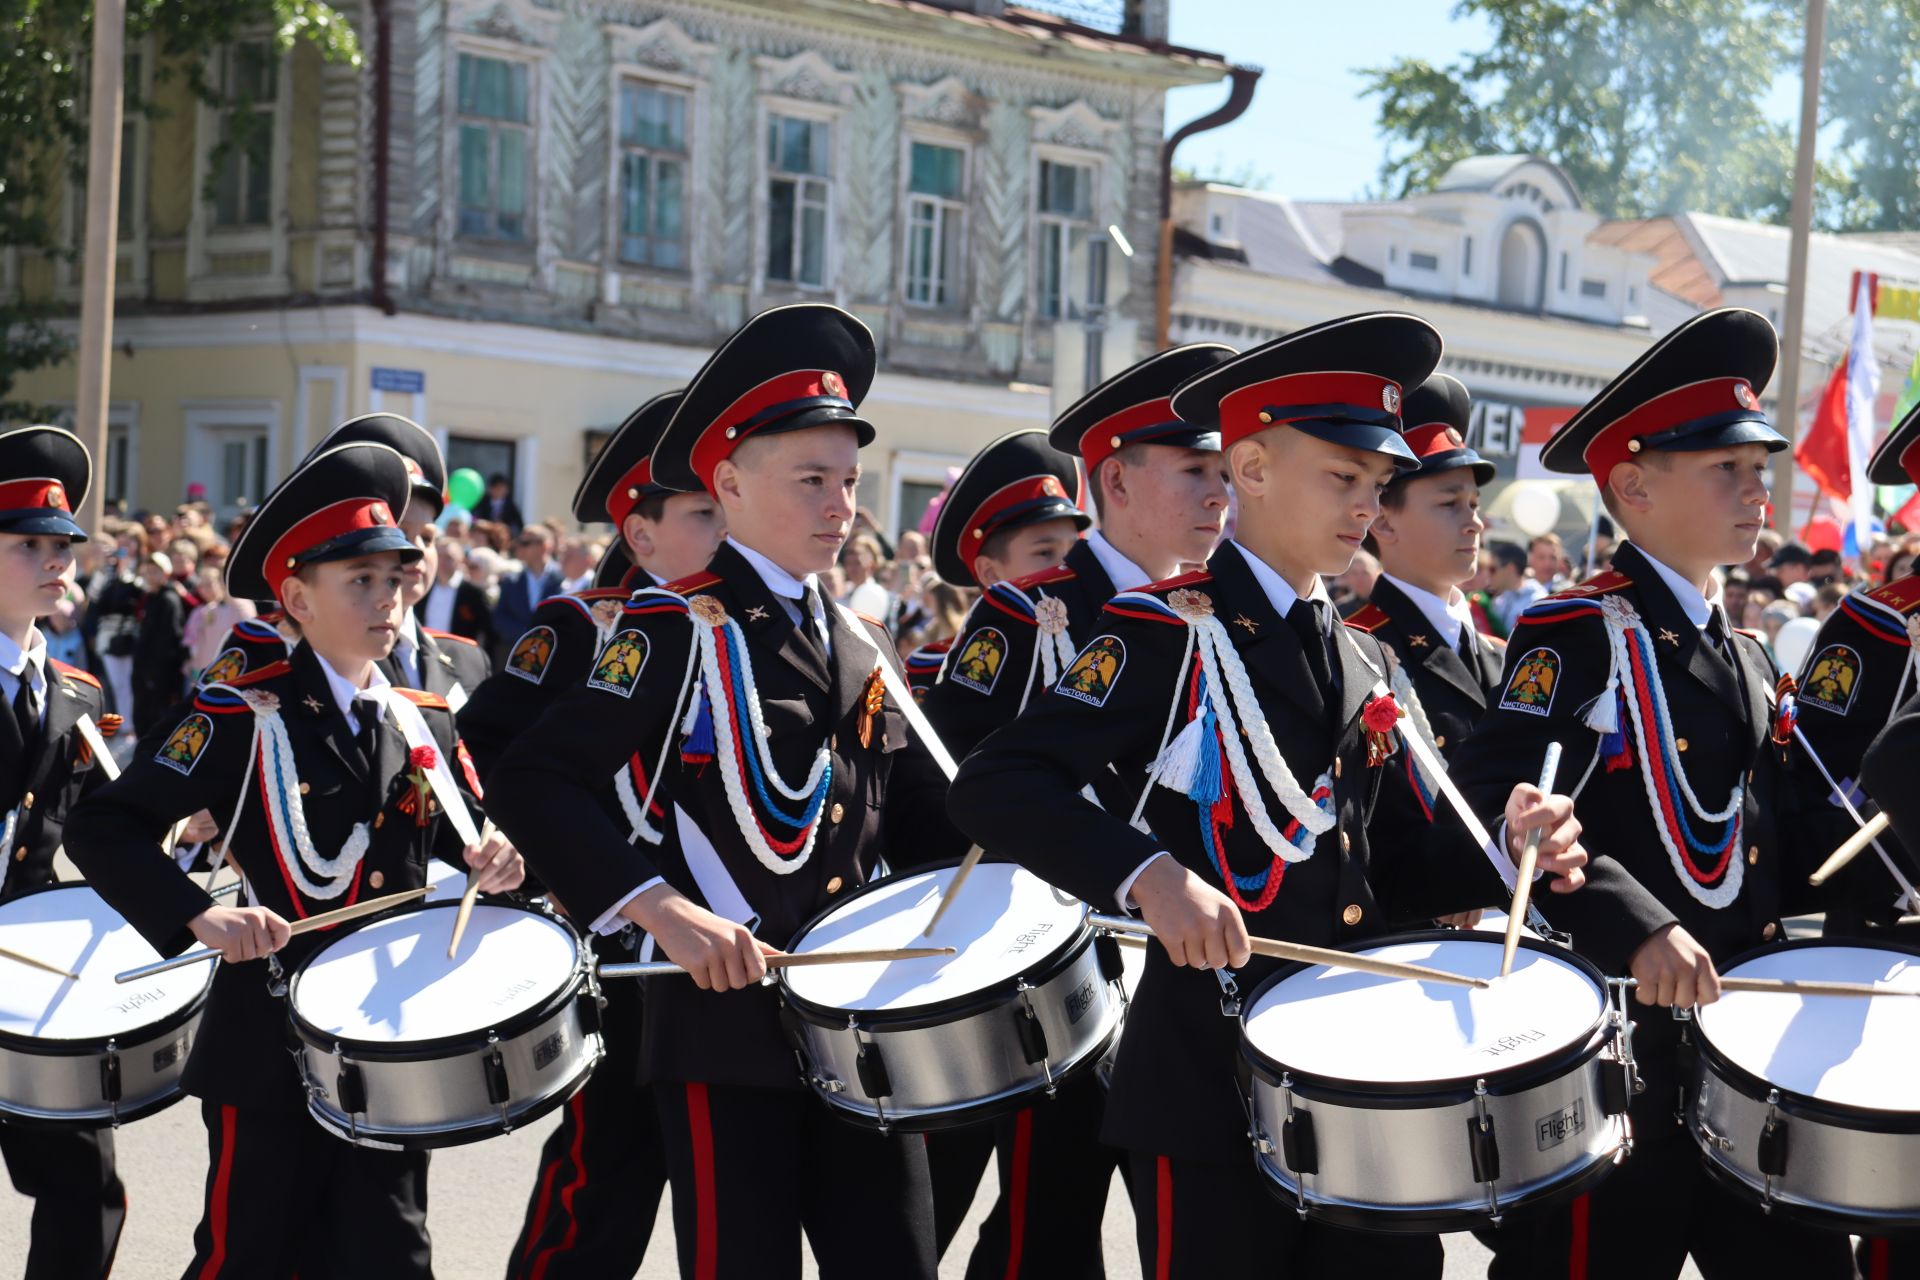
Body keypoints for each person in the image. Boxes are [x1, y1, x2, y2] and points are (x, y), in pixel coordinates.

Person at [948, 313, 1588, 1277]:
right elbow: (998, 785)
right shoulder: (1168, 629)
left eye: (1375, 486)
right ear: (1250, 469)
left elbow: (1394, 860)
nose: (1366, 507)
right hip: (1212, 1082)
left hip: (1364, 1079)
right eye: (1342, 479)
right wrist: (1150, 878)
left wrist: (1512, 847)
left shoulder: (1367, 654)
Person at [486, 305, 959, 1280]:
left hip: (860, 1021)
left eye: (849, 482)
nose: (841, 506)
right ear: (731, 483)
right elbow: (538, 776)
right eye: (812, 481)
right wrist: (659, 910)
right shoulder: (673, 628)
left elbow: (926, 819)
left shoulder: (862, 642)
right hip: (720, 1027)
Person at [1448, 308, 1852, 1279]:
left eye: (1761, 468)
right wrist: (1631, 919)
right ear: (1633, 483)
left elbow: (1779, 838)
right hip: (1627, 1059)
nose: (1760, 489)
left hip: (1748, 1057)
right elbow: (1498, 795)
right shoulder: (1578, 630)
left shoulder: (1748, 652)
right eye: (1729, 469)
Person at [66, 440, 523, 1279]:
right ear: (295, 597)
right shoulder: (241, 713)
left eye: (395, 579)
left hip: (387, 1046)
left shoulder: (423, 717)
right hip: (268, 1047)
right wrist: (200, 914)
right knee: (252, 1253)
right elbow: (104, 827)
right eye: (360, 581)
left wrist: (497, 854)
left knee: (392, 1254)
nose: (387, 600)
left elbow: (470, 833)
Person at [460, 390, 723, 1280]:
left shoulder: (747, 627)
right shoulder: (583, 628)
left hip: (727, 951)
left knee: (727, 1199)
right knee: (598, 1185)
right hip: (620, 944)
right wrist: (538, 859)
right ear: (640, 535)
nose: (727, 530)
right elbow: (491, 747)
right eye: (704, 514)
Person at [911, 426, 1099, 1273]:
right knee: (944, 1183)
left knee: (1051, 1197)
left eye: (1073, 547)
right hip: (998, 940)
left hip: (1084, 938)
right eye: (1044, 550)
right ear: (990, 570)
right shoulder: (1007, 627)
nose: (1067, 565)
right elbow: (961, 772)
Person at [0, 426, 127, 1280]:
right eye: (29, 545)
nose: (56, 561)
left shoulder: (76, 689)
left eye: (62, 545)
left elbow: (95, 825)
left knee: (86, 1184)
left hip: (30, 976)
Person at [1346, 373, 1502, 760]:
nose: (1474, 523)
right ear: (1382, 520)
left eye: (1474, 504)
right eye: (1449, 504)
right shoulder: (1356, 650)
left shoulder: (1500, 653)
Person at [132, 550, 190, 732]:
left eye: (155, 571)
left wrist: (155, 671)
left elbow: (170, 638)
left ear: (166, 573)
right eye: (148, 570)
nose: (150, 575)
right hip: (144, 667)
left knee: (158, 715)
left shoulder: (169, 599)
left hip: (160, 671)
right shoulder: (149, 598)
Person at [492, 524, 562, 668]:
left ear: (545, 546)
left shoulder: (563, 579)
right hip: (514, 656)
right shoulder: (511, 580)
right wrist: (526, 635)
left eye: (526, 543)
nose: (519, 547)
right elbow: (499, 617)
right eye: (519, 542)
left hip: (551, 658)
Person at [1487, 539, 1545, 631]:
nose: (1488, 574)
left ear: (1510, 569)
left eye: (1492, 569)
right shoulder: (1500, 600)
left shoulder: (1536, 602)